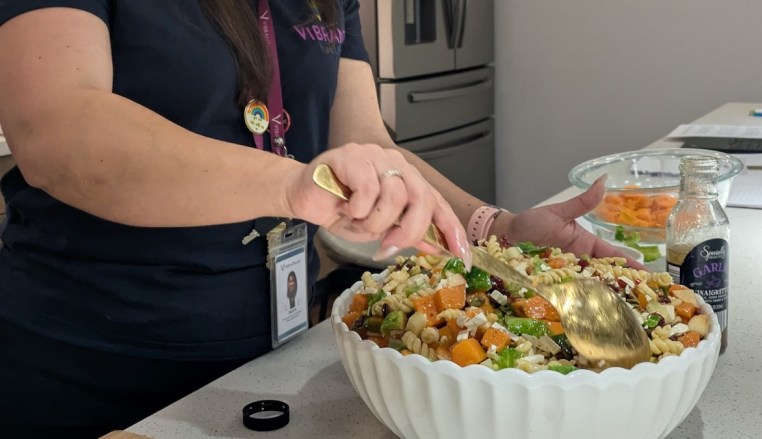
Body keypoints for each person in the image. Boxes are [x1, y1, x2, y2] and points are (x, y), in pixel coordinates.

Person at [0, 1, 633, 436]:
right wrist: (294, 184)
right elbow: (59, 131)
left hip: (274, 362)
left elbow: (365, 139)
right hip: (97, 371)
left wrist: (495, 230)